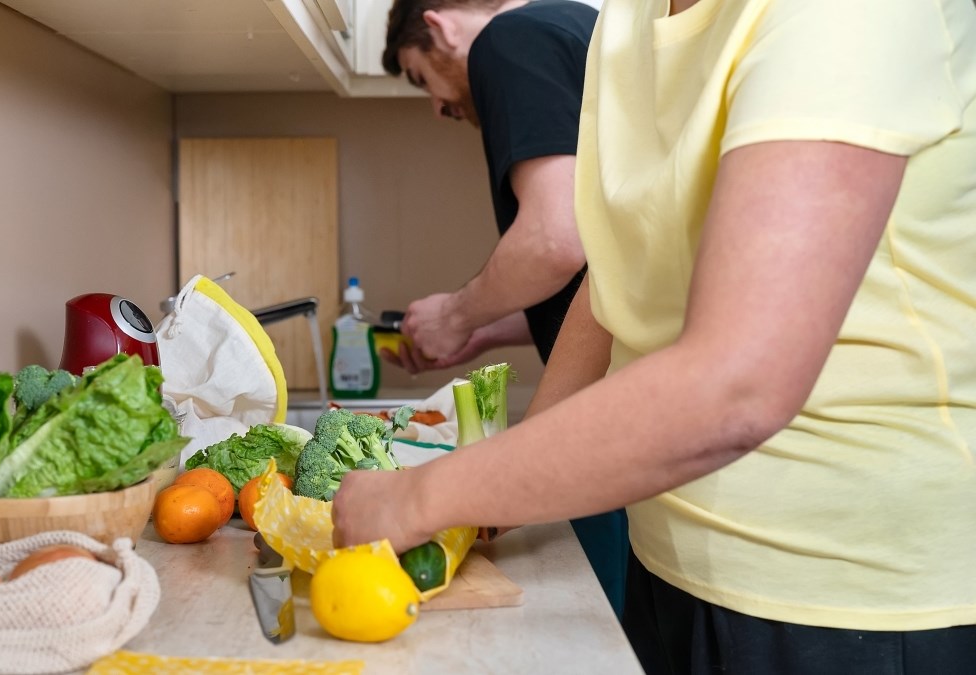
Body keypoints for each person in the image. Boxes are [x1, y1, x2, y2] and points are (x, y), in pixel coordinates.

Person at [337, 0, 976, 672]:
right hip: (671, 560)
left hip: (847, 596)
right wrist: (493, 502)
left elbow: (738, 384)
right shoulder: (626, 19)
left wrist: (423, 494)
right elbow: (615, 276)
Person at [381, 0, 631, 619]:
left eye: (422, 77)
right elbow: (608, 271)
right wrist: (490, 330)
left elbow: (555, 239)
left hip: (609, 420)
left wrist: (456, 313)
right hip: (637, 407)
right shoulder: (579, 25)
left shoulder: (510, 38)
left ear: (438, 24)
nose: (438, 105)